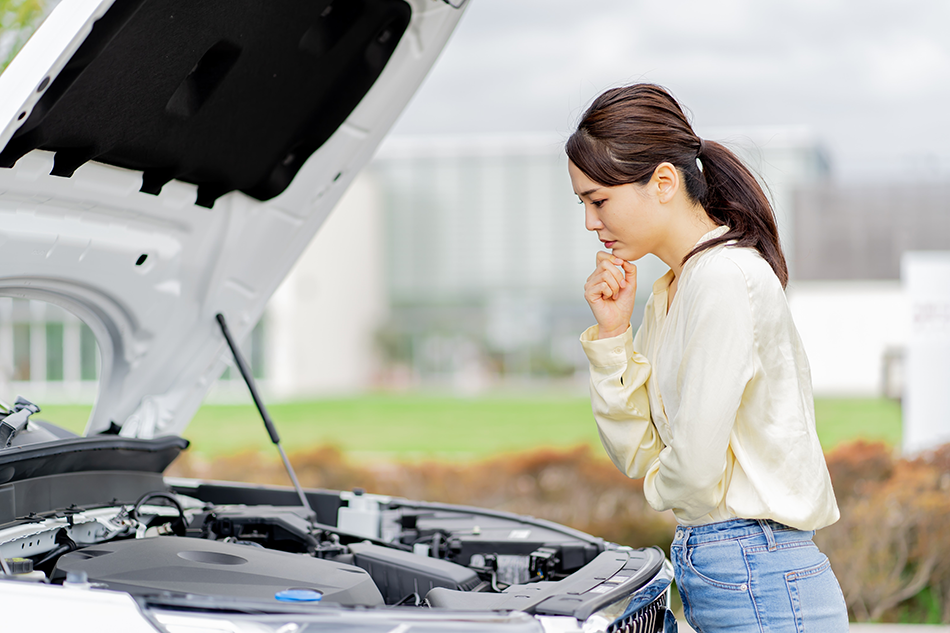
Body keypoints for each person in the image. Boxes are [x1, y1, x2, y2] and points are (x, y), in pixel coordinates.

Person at [566, 84, 848, 633]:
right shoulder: (673, 291)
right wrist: (613, 336)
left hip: (756, 564)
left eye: (598, 199)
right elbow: (639, 450)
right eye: (582, 203)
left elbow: (690, 470)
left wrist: (661, 487)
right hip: (728, 561)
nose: (589, 222)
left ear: (664, 182)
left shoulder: (724, 278)